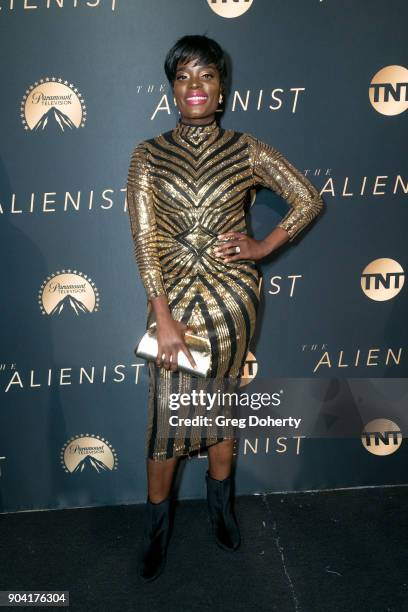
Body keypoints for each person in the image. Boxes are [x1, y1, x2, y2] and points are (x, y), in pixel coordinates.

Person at [126, 34, 324, 582]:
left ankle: (222, 513)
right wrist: (161, 314)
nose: (195, 86)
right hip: (176, 308)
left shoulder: (246, 148)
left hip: (234, 299)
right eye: (184, 76)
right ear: (172, 88)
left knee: (220, 410)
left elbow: (308, 197)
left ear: (221, 89)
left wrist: (261, 248)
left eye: (206, 76)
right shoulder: (147, 155)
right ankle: (157, 530)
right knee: (168, 418)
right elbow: (145, 241)